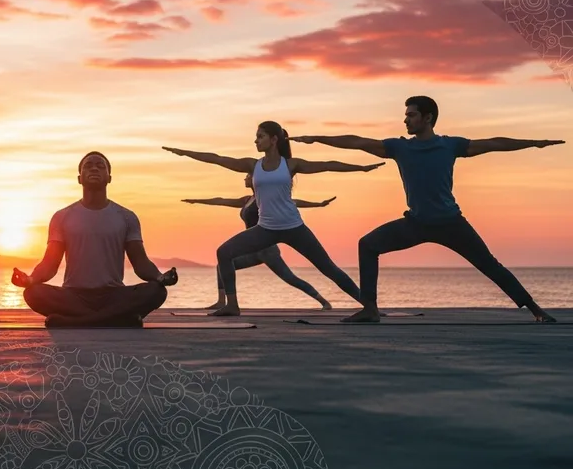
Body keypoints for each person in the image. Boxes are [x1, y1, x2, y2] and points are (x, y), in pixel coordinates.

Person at [292, 95, 563, 324]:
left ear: (428, 118)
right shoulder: (398, 147)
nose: (406, 120)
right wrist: (318, 138)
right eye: (406, 115)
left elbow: (494, 144)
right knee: (368, 244)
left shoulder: (451, 145)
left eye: (411, 115)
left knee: (489, 265)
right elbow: (358, 142)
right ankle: (370, 309)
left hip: (451, 223)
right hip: (417, 223)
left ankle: (536, 311)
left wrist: (533, 143)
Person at [164, 121, 384, 316]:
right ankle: (231, 305)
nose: (256, 141)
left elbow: (327, 165)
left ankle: (369, 307)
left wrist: (361, 168)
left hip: (294, 227)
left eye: (260, 136)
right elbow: (218, 159)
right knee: (224, 252)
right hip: (266, 229)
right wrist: (185, 152)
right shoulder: (253, 165)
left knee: (328, 268)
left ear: (274, 139)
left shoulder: (290, 165)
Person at [12, 152, 177, 327]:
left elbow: (141, 263)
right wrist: (29, 280)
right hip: (74, 296)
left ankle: (75, 321)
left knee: (156, 291)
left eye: (100, 166)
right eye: (88, 166)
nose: (94, 168)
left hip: (114, 295)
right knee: (33, 293)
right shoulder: (62, 217)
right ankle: (118, 320)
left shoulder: (126, 217)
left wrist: (160, 277)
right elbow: (49, 264)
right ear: (79, 178)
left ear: (109, 178)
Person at [182, 173, 335, 310]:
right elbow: (222, 200)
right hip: (253, 250)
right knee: (222, 265)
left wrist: (318, 204)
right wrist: (196, 201)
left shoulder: (266, 199)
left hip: (268, 250)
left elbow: (294, 201)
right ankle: (222, 301)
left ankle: (323, 302)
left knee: (290, 278)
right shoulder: (247, 200)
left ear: (256, 180)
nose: (245, 178)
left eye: (248, 176)